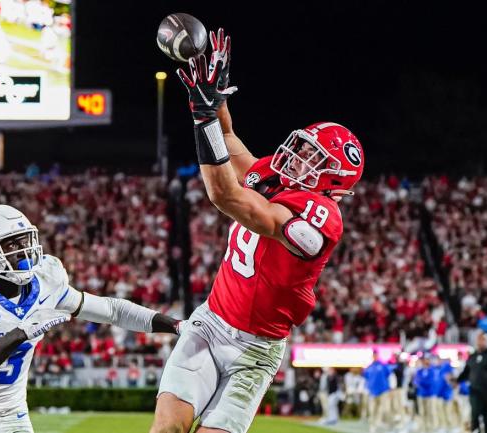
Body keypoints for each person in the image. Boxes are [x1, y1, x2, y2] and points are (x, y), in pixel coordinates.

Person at [150, 28, 365, 433]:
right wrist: (213, 100)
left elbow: (226, 197)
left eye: (312, 159)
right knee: (165, 430)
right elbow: (228, 138)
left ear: (333, 182)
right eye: (303, 149)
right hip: (211, 323)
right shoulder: (281, 177)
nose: (298, 159)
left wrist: (202, 117)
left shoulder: (319, 219)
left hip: (255, 349)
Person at [0, 205, 182, 433]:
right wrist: (20, 332)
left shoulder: (46, 283)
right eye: (11, 244)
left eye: (24, 240)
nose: (24, 250)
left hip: (11, 415)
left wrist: (175, 325)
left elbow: (112, 310)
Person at [458, 332, 487, 433]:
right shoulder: (472, 356)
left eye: (482, 340)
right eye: (478, 340)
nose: (480, 342)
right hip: (475, 391)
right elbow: (466, 372)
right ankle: (475, 431)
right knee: (475, 414)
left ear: (486, 341)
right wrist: (456, 380)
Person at [363, 352, 392, 433]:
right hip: (372, 391)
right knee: (372, 410)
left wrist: (389, 387)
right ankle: (373, 426)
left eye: (376, 355)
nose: (375, 357)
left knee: (385, 409)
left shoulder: (383, 365)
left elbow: (388, 375)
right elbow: (366, 378)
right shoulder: (369, 367)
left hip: (383, 390)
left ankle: (384, 424)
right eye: (373, 355)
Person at [414, 356, 435, 433]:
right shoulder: (419, 371)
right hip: (421, 394)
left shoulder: (432, 370)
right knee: (422, 412)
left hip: (429, 394)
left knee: (430, 412)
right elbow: (416, 381)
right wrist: (421, 382)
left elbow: (430, 382)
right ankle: (423, 428)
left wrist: (421, 382)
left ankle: (430, 428)